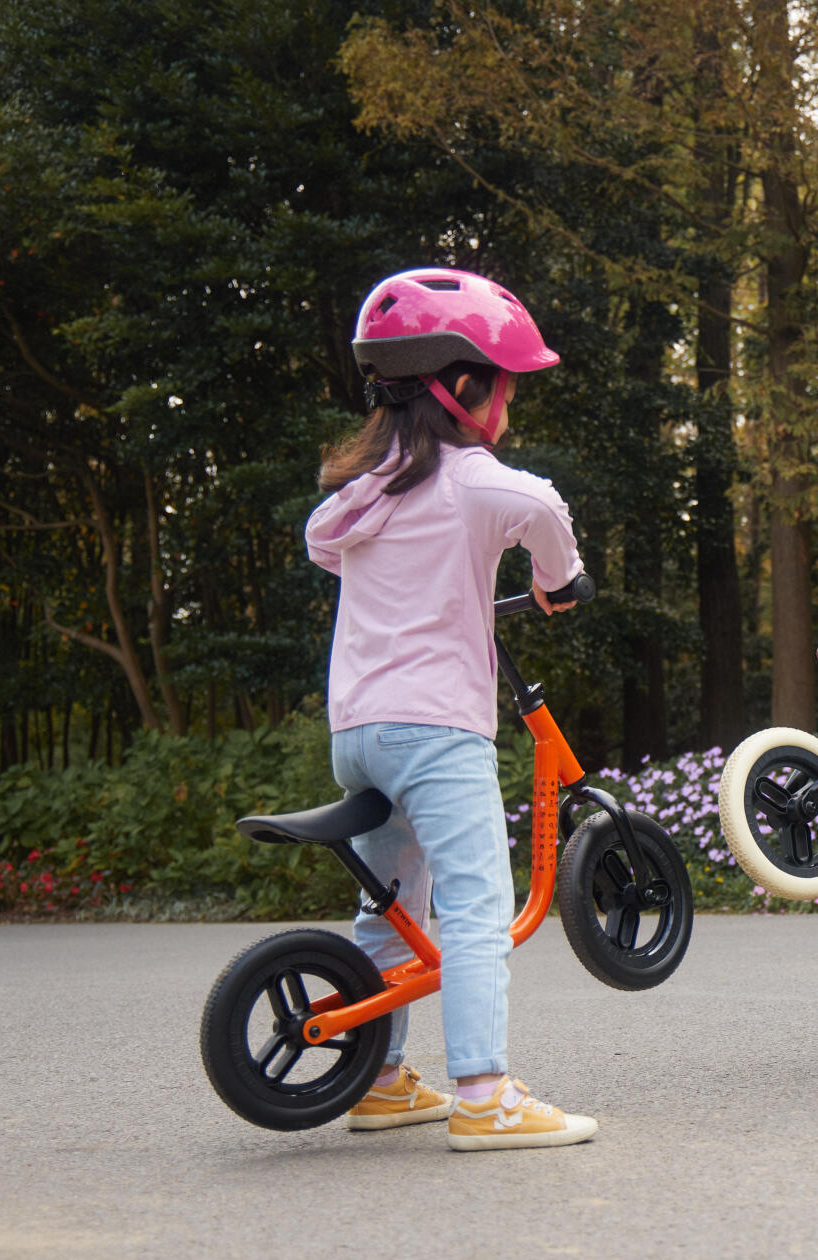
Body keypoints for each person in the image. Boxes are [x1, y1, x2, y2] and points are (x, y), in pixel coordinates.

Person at [304, 266, 595, 1149]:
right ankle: (482, 1094)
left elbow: (322, 543)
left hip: (358, 732)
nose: (510, 401)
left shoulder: (364, 491)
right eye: (506, 383)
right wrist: (559, 583)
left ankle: (382, 1079)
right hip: (437, 731)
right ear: (464, 387)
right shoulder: (477, 482)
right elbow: (541, 507)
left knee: (390, 906)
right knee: (475, 906)